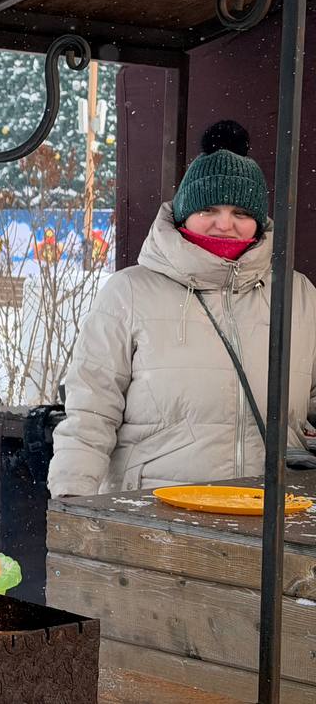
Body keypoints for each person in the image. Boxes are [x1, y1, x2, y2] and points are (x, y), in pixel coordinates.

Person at [48, 121, 316, 498]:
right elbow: (91, 411)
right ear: (184, 213)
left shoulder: (298, 294)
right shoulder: (129, 292)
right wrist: (72, 501)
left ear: (258, 221)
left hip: (271, 512)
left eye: (241, 212)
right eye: (209, 208)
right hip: (157, 509)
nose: (224, 224)